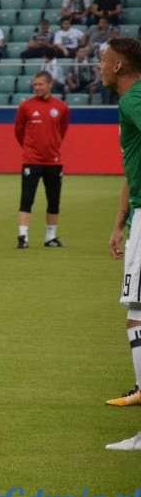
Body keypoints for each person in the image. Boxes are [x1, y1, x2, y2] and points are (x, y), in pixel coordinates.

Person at [102, 40, 141, 442]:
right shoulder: (131, 100)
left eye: (101, 59)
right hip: (137, 217)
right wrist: (119, 222)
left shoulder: (134, 101)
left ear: (117, 65)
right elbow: (134, 168)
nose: (97, 64)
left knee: (137, 314)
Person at [14, 71, 69, 249]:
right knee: (26, 199)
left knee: (53, 200)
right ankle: (23, 237)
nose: (36, 88)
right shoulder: (25, 106)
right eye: (34, 85)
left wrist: (51, 147)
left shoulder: (61, 107)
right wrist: (30, 149)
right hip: (31, 160)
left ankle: (50, 237)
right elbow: (19, 131)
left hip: (54, 161)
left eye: (40, 84)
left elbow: (62, 130)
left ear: (50, 84)